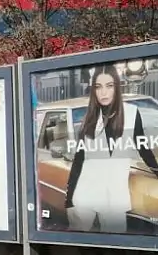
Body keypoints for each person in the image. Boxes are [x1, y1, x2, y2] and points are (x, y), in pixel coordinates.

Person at [64, 64, 158, 233]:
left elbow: (142, 147)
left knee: (116, 246)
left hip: (115, 195)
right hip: (86, 193)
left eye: (109, 86)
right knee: (82, 245)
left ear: (116, 87)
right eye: (98, 87)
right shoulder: (89, 118)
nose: (104, 92)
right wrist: (69, 199)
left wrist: (156, 171)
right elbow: (79, 159)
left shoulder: (131, 113)